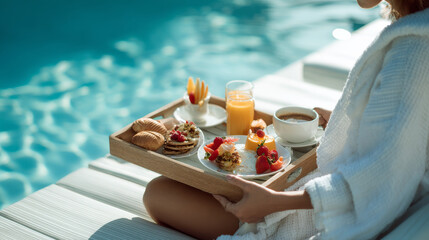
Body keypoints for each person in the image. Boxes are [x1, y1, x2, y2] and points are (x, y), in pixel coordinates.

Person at [143, 0, 429, 239]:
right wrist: (352, 125)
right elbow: (408, 135)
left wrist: (272, 204)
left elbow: (379, 179)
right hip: (322, 185)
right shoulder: (415, 31)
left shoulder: (412, 53)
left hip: (313, 214)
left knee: (157, 193)